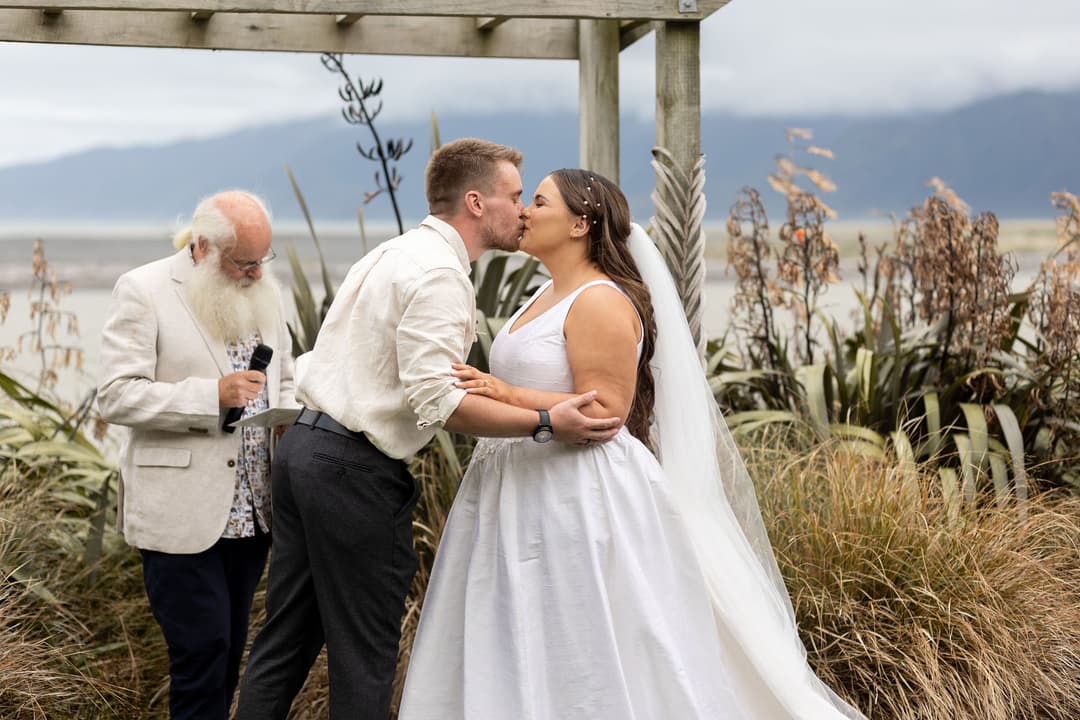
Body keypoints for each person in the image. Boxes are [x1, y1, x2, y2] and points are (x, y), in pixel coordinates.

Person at [398, 169, 866, 719]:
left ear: (580, 224)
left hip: (574, 495)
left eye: (538, 202)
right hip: (510, 489)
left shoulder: (600, 301)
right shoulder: (542, 294)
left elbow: (606, 413)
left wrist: (505, 391)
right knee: (509, 632)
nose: (524, 212)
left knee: (580, 632)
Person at [235, 140, 621, 720]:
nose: (522, 210)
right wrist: (545, 422)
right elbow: (439, 403)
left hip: (304, 450)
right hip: (350, 471)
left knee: (283, 645)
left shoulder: (391, 253)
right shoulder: (440, 275)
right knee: (363, 660)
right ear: (475, 201)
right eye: (515, 196)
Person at [97, 190, 296, 720]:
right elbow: (116, 394)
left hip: (254, 515)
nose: (257, 273)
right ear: (203, 246)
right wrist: (211, 396)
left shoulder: (266, 290)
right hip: (180, 513)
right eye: (245, 262)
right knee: (201, 654)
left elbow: (288, 379)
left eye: (263, 260)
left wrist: (291, 421)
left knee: (228, 654)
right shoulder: (144, 289)